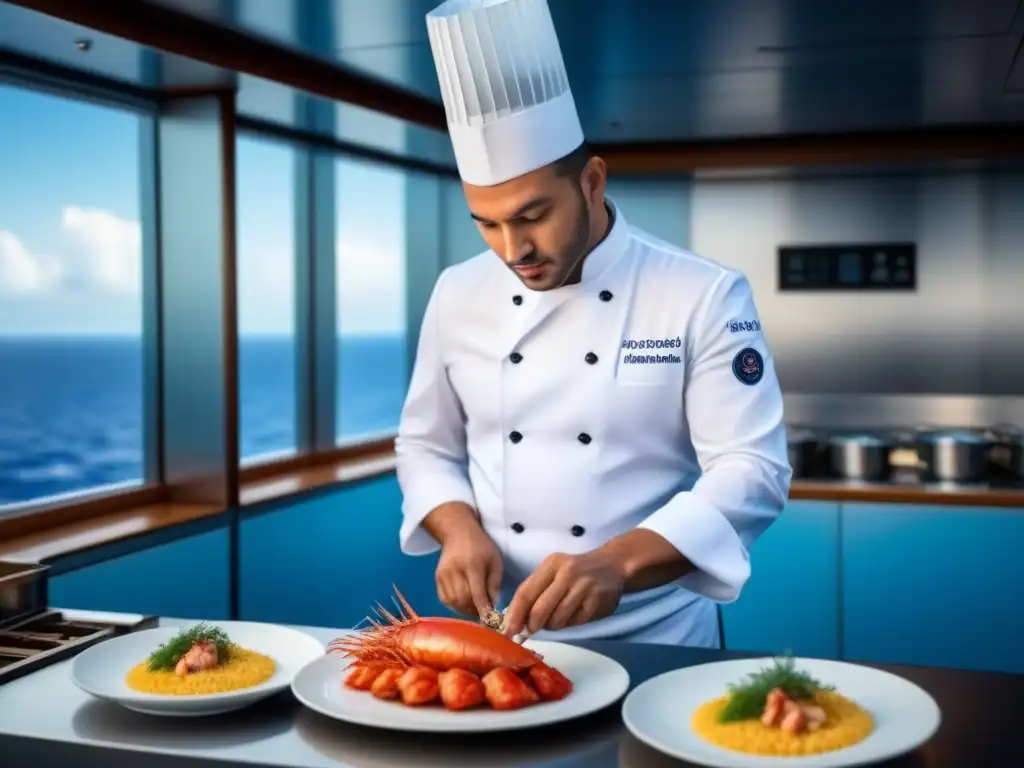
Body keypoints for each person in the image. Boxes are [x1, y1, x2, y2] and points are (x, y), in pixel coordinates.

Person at [394, 0, 792, 647]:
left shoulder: (702, 292)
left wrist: (617, 562)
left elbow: (752, 469)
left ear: (593, 182)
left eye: (531, 215)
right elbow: (425, 446)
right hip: (505, 638)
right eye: (487, 224)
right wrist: (456, 527)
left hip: (658, 637)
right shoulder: (457, 292)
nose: (512, 249)